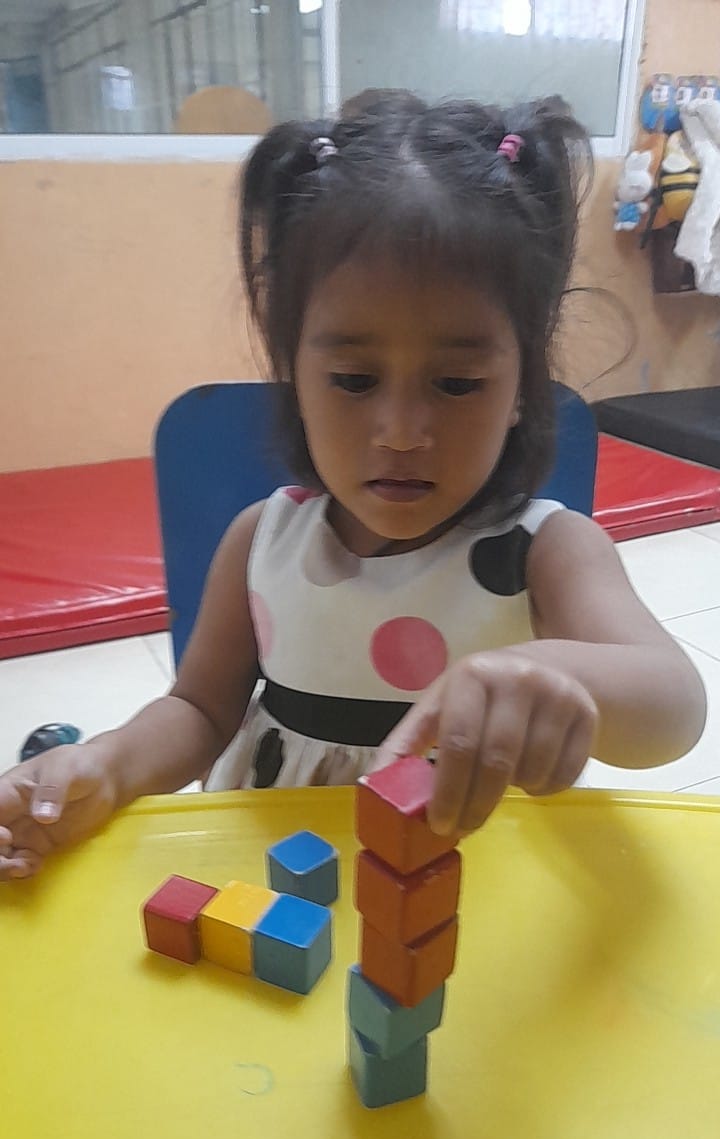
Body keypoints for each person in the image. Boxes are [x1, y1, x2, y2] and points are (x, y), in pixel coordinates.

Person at [0, 94, 706, 881]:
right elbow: (197, 711)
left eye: (457, 383)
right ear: (294, 373)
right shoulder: (262, 540)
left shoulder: (546, 551)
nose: (401, 430)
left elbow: (675, 706)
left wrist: (557, 676)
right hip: (273, 887)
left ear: (522, 387)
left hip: (473, 892)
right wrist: (108, 764)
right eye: (353, 379)